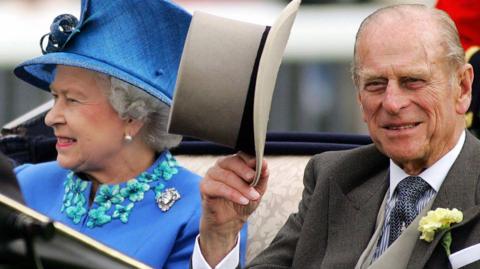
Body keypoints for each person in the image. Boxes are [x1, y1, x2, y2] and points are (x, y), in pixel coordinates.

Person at [192, 4, 480, 269]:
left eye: (413, 81)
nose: (392, 103)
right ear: (359, 97)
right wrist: (220, 234)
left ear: (463, 88)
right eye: (376, 84)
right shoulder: (335, 178)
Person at [11, 1, 236, 268]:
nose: (51, 118)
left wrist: (216, 240)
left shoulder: (204, 214)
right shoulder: (23, 185)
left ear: (133, 116)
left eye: (72, 100)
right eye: (55, 97)